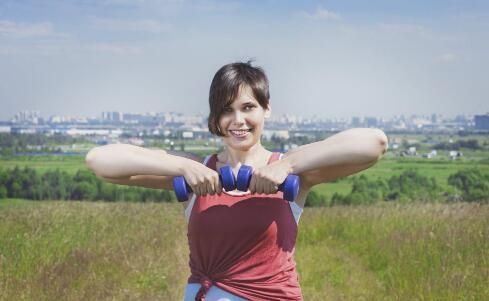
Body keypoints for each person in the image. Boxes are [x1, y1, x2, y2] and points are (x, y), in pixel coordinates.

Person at [85, 61, 388, 301]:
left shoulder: (292, 170)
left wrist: (286, 165)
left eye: (247, 107)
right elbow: (99, 161)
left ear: (266, 108)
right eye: (226, 110)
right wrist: (182, 166)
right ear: (215, 119)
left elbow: (374, 143)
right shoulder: (197, 170)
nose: (237, 121)